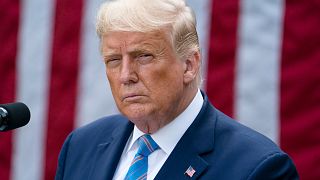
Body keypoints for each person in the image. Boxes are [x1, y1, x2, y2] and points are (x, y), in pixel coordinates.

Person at [55, 0, 299, 179]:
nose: (126, 75)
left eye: (144, 56)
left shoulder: (258, 168)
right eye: (114, 60)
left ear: (189, 65)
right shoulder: (80, 147)